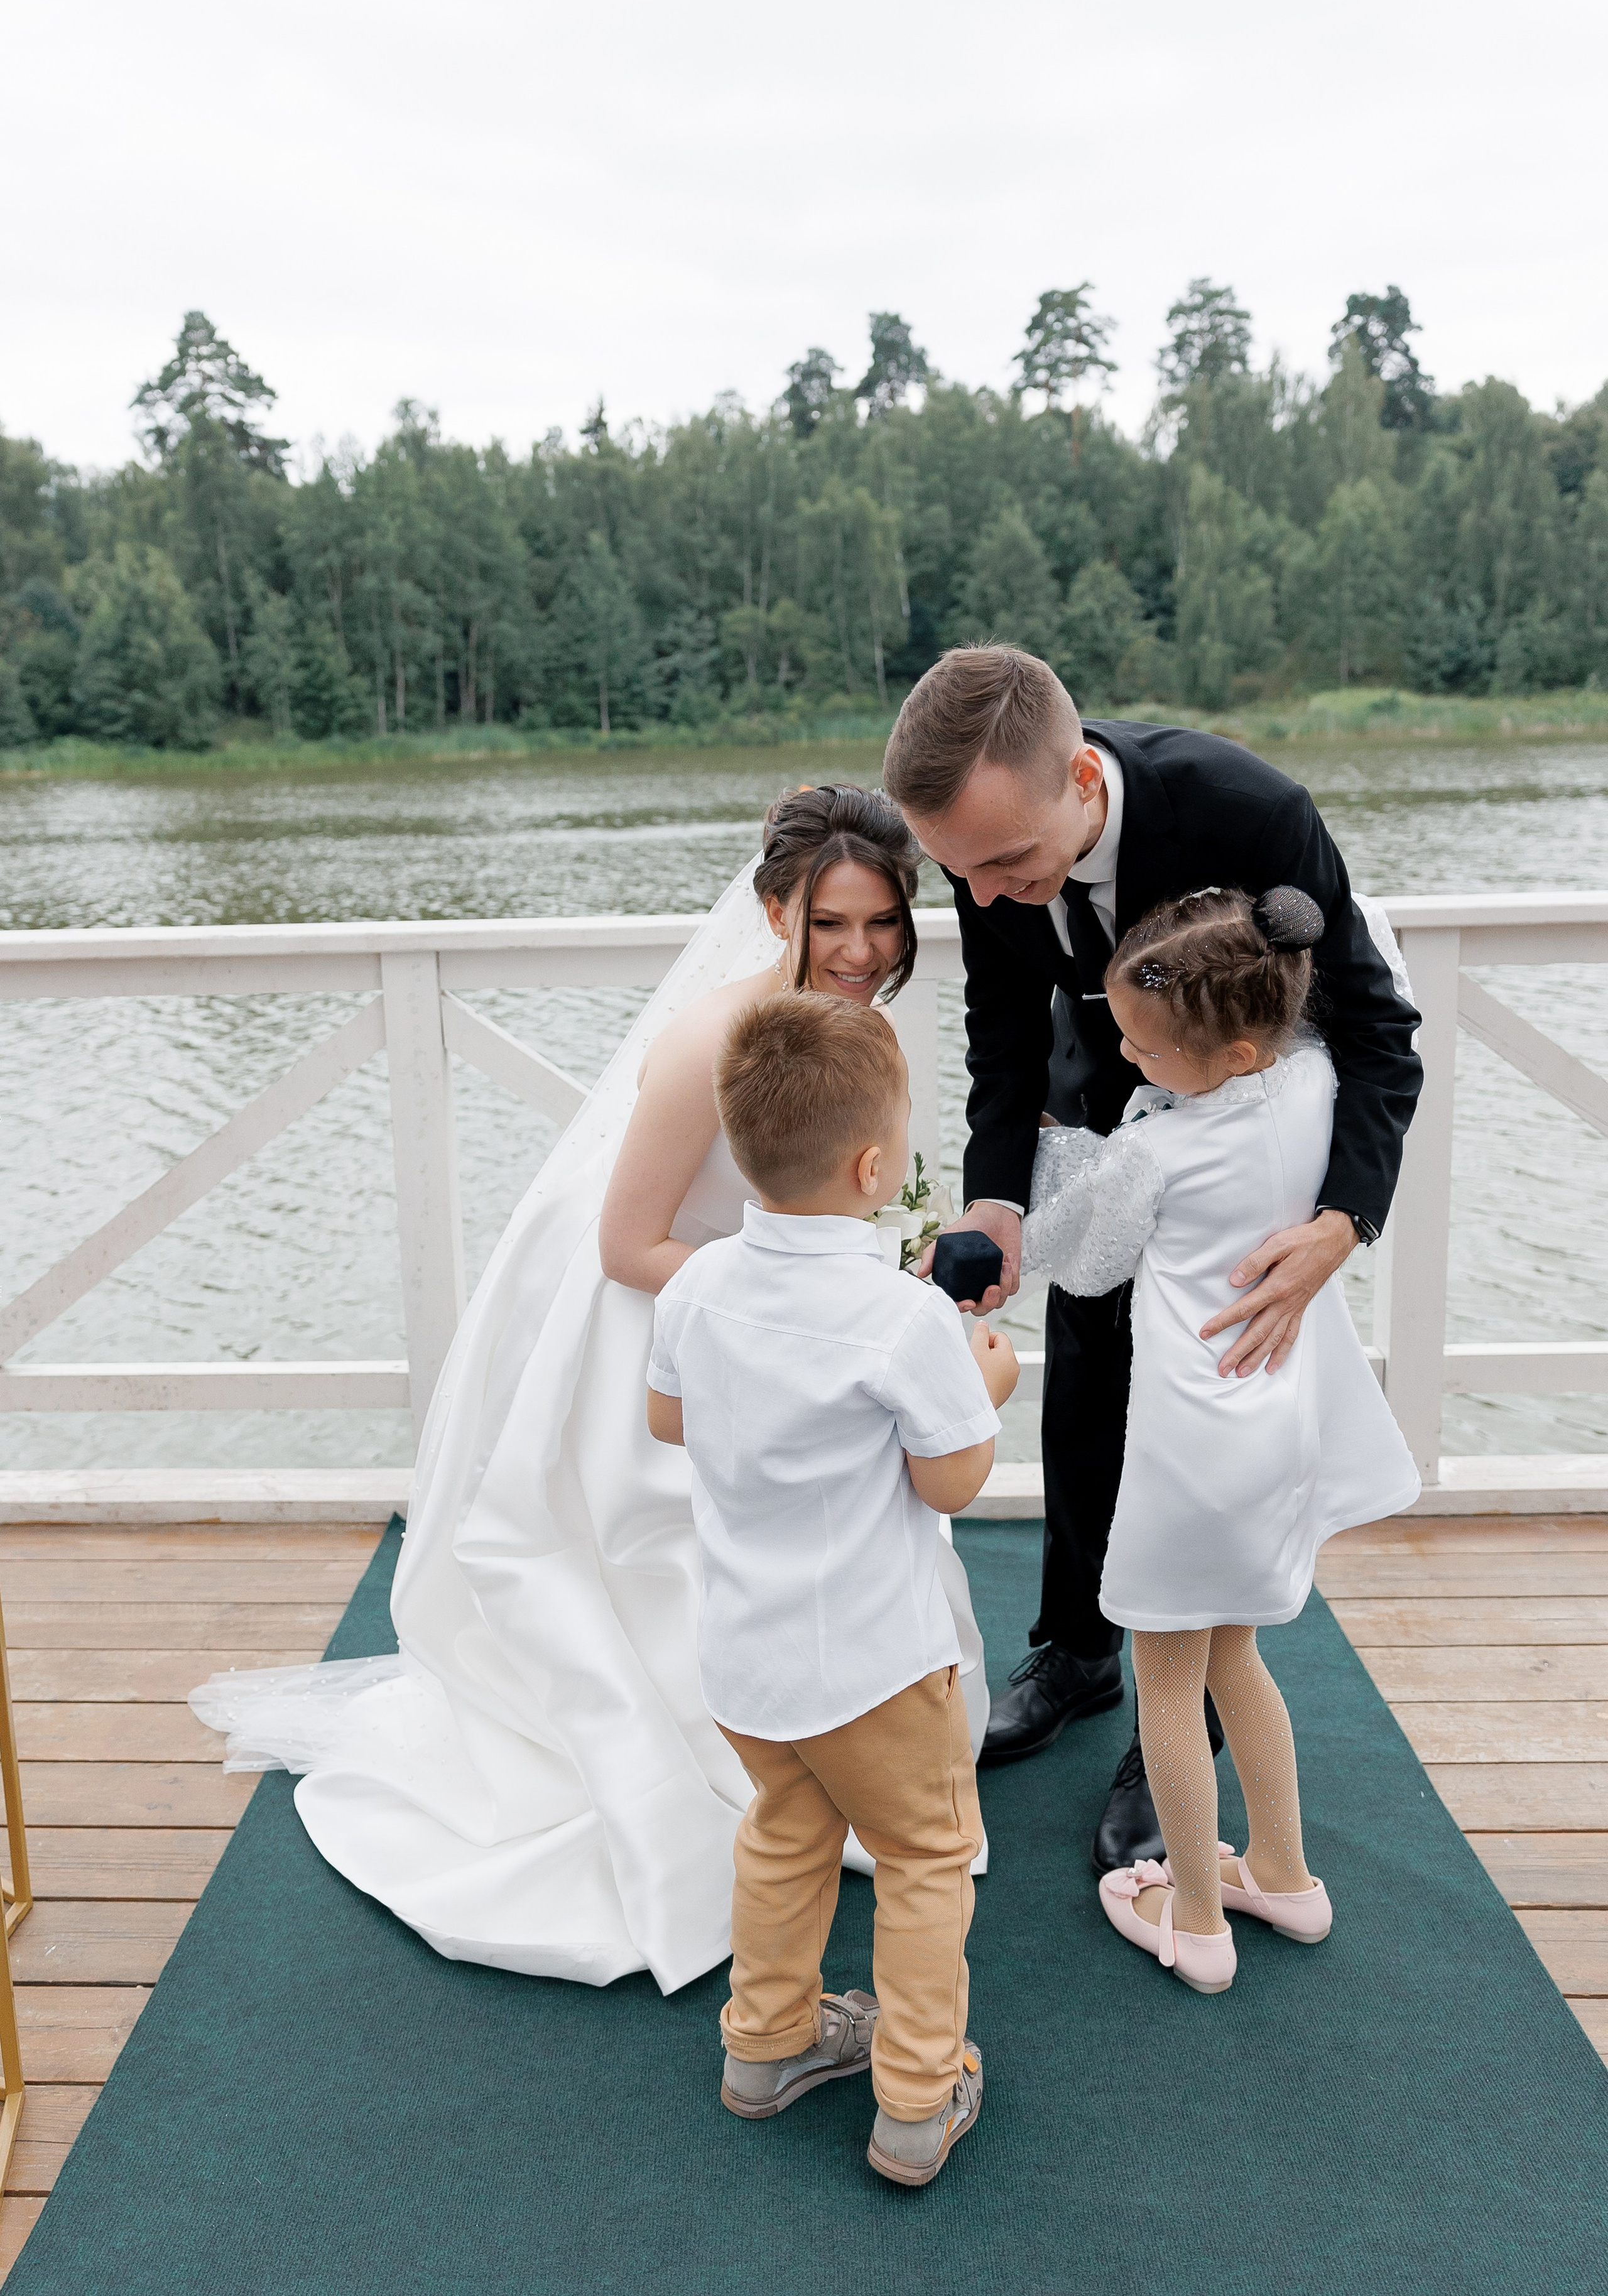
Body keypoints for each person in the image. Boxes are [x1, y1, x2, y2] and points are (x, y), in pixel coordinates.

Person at [191, 785, 990, 1996]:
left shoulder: (845, 1027)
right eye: (831, 921)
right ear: (774, 906)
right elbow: (629, 1243)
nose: (863, 951)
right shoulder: (707, 1041)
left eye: (884, 921)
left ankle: (818, 1751)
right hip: (668, 1313)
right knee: (666, 1550)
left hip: (752, 1303)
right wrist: (817, 1316)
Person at [882, 646, 1423, 1873]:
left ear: (1080, 779)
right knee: (1082, 1398)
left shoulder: (1249, 813)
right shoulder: (988, 849)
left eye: (1010, 865)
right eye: (963, 876)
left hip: (1250, 1179)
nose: (992, 896)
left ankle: (1174, 1738)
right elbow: (1003, 1030)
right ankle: (1075, 1654)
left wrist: (1339, 1225)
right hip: (1099, 1137)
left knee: (1201, 1438)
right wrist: (998, 1202)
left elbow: (1382, 1031)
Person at [1020, 884, 1418, 1989]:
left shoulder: (1160, 1153)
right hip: (1275, 1434)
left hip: (1190, 1453)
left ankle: (1195, 1915)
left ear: (1235, 1050)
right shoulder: (1314, 1085)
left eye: (1148, 1048)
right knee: (1238, 1651)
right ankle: (1284, 1873)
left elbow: (1077, 1253)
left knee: (1165, 1679)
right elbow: (1379, 956)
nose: (1131, 1061)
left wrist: (1063, 1141)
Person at [648, 993, 1018, 2182]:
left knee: (786, 1834)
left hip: (746, 1662)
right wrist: (986, 1381)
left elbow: (668, 1415)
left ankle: (765, 2044)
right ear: (874, 1164)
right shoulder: (905, 1317)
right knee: (922, 1857)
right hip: (871, 1663)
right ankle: (916, 2096)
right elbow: (952, 1479)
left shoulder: (696, 1284)